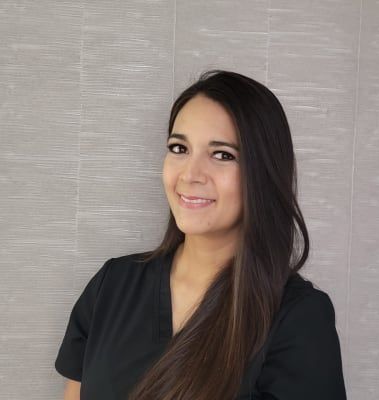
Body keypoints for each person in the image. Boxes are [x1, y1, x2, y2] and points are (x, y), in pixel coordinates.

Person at [54, 69, 347, 400]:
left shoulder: (299, 319)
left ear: (262, 173)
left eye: (222, 155)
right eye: (179, 148)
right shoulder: (112, 286)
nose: (190, 174)